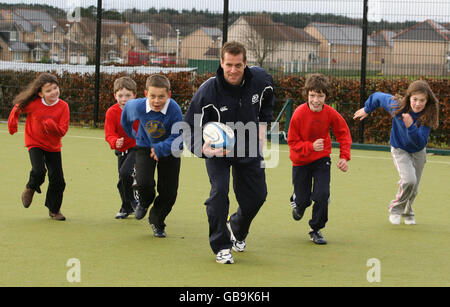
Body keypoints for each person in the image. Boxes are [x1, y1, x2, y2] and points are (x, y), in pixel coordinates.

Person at [183, 41, 274, 264]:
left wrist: (263, 126)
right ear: (221, 63)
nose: (233, 70)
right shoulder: (207, 91)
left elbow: (268, 99)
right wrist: (200, 148)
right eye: (229, 65)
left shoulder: (260, 80)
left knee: (257, 197)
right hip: (217, 151)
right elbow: (189, 127)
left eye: (238, 65)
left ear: (246, 64)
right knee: (219, 193)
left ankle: (237, 227)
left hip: (249, 146)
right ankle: (221, 246)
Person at [353, 80, 439, 225]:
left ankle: (408, 211)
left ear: (427, 100)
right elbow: (378, 97)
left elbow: (420, 142)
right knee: (408, 181)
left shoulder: (428, 114)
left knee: (414, 187)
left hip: (418, 151)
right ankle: (395, 209)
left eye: (422, 100)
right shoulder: (397, 106)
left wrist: (411, 126)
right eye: (415, 99)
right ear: (409, 97)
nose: (418, 104)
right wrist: (367, 109)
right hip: (399, 149)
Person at [287, 73, 351, 245]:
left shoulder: (331, 113)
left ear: (326, 97)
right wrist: (310, 147)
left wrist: (344, 157)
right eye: (312, 95)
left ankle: (316, 228)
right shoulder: (299, 114)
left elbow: (343, 134)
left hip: (322, 159)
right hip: (300, 161)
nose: (316, 100)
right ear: (307, 94)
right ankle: (297, 202)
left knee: (322, 194)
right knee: (303, 200)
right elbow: (292, 141)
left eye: (320, 96)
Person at [121, 74, 183, 237]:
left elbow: (179, 136)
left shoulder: (174, 109)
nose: (156, 101)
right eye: (152, 96)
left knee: (169, 192)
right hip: (145, 146)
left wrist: (161, 148)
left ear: (168, 95)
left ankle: (157, 221)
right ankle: (145, 201)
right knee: (143, 181)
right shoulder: (137, 106)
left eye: (161, 97)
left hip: (170, 150)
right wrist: (133, 134)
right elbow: (125, 118)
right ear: (145, 93)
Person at [8, 73, 70, 221]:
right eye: (48, 91)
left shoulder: (63, 107)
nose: (53, 92)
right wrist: (12, 123)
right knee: (39, 170)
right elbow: (17, 107)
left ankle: (54, 210)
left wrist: (51, 126)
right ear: (40, 93)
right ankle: (30, 188)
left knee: (58, 180)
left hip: (53, 146)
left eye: (55, 88)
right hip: (34, 142)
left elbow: (62, 130)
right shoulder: (33, 103)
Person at [104, 76, 139, 219]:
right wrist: (115, 142)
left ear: (135, 95)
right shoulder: (111, 112)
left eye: (128, 95)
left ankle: (134, 201)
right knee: (122, 182)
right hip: (121, 150)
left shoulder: (140, 110)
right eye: (120, 95)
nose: (124, 99)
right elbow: (109, 133)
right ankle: (126, 207)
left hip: (137, 148)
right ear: (115, 96)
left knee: (126, 173)